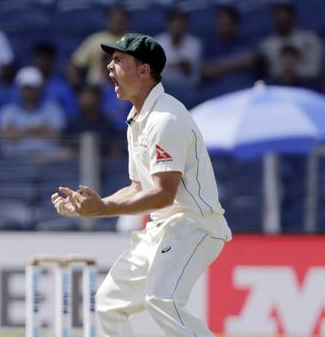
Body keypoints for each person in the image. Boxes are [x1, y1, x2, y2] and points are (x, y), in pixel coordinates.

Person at [51, 34, 231, 336]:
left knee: (161, 299)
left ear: (144, 71)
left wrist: (103, 209)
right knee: (109, 305)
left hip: (194, 225)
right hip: (163, 227)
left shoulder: (165, 117)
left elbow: (163, 194)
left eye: (119, 60)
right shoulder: (138, 118)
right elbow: (138, 187)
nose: (109, 67)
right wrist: (88, 207)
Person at [0, 66, 66, 157]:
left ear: (40, 88)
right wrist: (38, 129)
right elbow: (8, 137)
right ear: (19, 88)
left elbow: (55, 135)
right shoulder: (8, 111)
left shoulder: (53, 109)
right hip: (15, 161)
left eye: (32, 88)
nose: (29, 92)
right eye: (26, 88)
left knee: (66, 153)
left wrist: (19, 131)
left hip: (47, 161)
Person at [200, 6, 258, 103]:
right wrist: (237, 62)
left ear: (235, 25)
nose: (221, 27)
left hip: (243, 90)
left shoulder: (248, 42)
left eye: (225, 23)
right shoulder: (210, 45)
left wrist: (219, 66)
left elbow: (249, 60)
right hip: (216, 92)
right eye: (219, 23)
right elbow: (208, 71)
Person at [259, 3, 321, 84]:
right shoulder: (266, 44)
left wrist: (290, 72)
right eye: (277, 18)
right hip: (277, 85)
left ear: (293, 18)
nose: (280, 22)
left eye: (284, 18)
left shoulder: (309, 39)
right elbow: (269, 72)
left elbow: (314, 70)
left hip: (306, 83)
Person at [68, 5, 129, 87]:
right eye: (114, 20)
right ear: (107, 20)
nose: (117, 23)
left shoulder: (133, 41)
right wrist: (77, 88)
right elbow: (74, 65)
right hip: (96, 90)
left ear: (126, 21)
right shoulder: (95, 40)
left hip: (126, 88)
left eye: (120, 20)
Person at [155, 9, 202, 108]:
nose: (177, 27)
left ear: (186, 25)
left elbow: (192, 75)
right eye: (174, 23)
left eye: (180, 24)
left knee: (193, 98)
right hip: (163, 86)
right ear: (168, 24)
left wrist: (172, 65)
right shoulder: (157, 42)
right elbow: (155, 73)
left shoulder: (195, 44)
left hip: (186, 87)